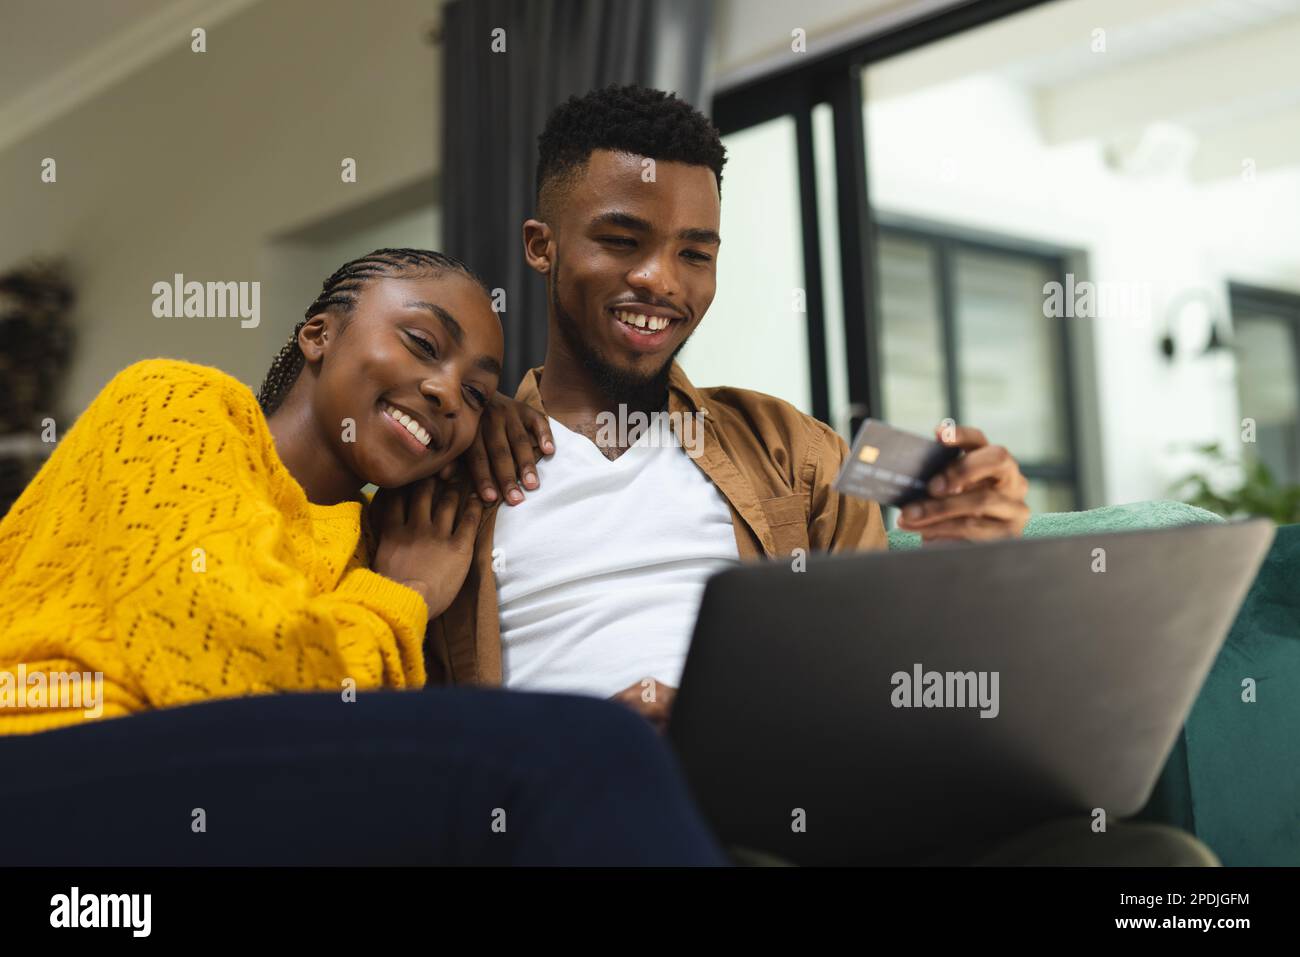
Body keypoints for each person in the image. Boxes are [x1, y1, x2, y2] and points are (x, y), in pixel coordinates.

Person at [434, 87, 1215, 866]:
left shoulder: (784, 439)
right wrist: (589, 745)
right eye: (620, 239)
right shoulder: (455, 468)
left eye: (695, 253)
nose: (661, 282)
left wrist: (986, 508)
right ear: (542, 246)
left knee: (1160, 863)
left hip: (810, 810)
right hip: (600, 818)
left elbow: (932, 490)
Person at [0, 247, 724, 865]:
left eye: (476, 393)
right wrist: (399, 597)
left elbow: (328, 755)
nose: (446, 392)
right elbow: (227, 671)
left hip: (193, 799)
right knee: (589, 752)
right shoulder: (177, 402)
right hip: (46, 752)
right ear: (319, 333)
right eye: (421, 343)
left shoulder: (378, 541)